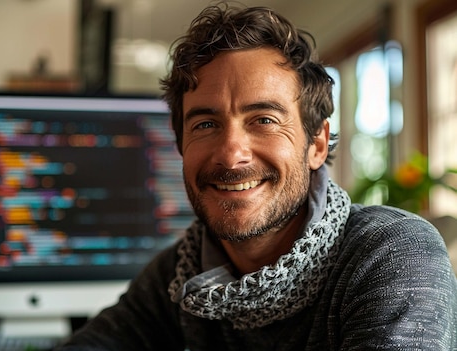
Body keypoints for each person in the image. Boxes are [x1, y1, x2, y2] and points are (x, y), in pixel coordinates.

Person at [56, 3, 457, 350]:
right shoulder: (183, 272)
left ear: (317, 144)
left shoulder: (390, 255)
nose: (231, 154)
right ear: (180, 145)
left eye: (264, 120)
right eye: (205, 125)